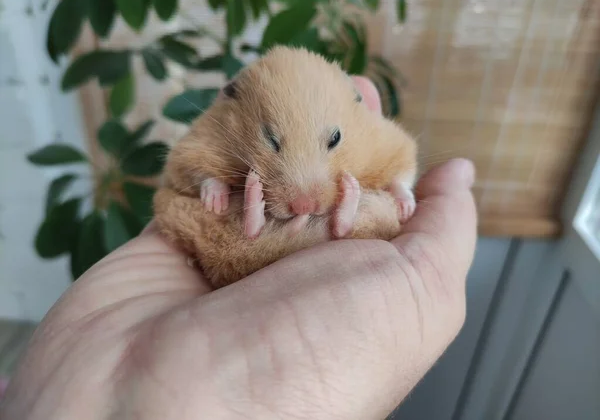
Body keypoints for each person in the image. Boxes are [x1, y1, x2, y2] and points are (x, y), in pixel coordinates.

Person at [0, 79, 477, 420]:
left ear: (354, 113)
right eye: (271, 141)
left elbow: (400, 157)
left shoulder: (364, 125)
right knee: (187, 209)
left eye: (333, 141)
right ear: (233, 100)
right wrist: (208, 179)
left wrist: (399, 186)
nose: (301, 198)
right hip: (225, 239)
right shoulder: (225, 120)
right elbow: (186, 163)